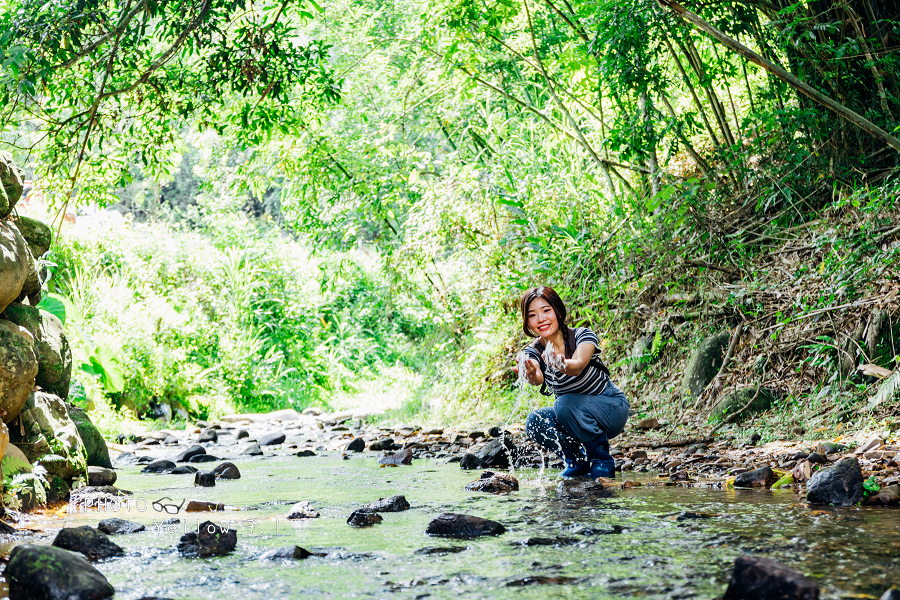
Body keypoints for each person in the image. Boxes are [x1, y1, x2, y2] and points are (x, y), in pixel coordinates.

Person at [512, 286, 629, 479]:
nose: (541, 319)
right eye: (533, 315)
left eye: (546, 310)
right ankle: (576, 461)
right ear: (527, 322)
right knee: (534, 421)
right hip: (574, 415)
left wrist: (558, 362)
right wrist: (530, 371)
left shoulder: (582, 335)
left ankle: (602, 460)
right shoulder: (534, 351)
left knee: (563, 404)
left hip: (611, 408)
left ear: (557, 311)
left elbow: (578, 365)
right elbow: (537, 378)